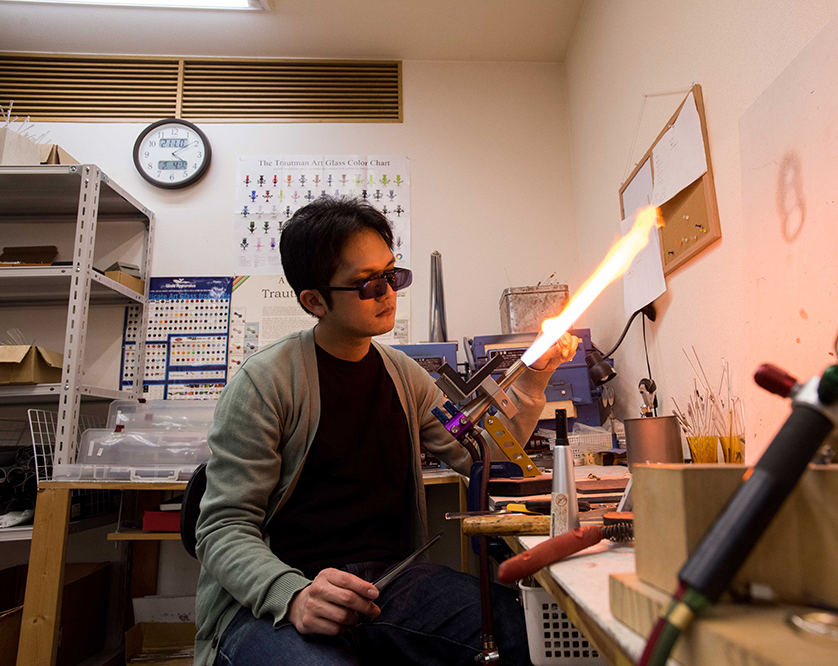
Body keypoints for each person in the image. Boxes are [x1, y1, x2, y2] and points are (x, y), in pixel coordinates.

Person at [194, 196, 579, 666]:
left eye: (392, 275)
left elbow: (484, 458)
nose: (388, 292)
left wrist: (536, 376)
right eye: (366, 284)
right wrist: (292, 595)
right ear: (314, 300)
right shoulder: (265, 382)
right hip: (283, 594)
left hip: (389, 582)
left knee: (526, 635)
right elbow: (222, 527)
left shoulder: (407, 378)